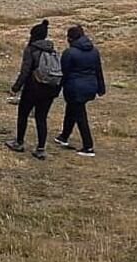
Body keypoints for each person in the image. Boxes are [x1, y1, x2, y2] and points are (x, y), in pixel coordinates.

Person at [6, 19, 62, 160]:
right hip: (49, 89)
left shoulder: (31, 49)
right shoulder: (52, 50)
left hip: (33, 88)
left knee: (23, 115)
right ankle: (41, 148)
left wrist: (15, 88)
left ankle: (19, 142)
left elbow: (25, 72)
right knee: (41, 118)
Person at [54, 25, 106, 156]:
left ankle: (88, 147)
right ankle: (64, 136)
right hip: (90, 86)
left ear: (70, 38)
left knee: (80, 115)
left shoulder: (69, 53)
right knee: (72, 109)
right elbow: (98, 70)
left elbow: (64, 74)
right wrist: (101, 88)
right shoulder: (94, 51)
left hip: (74, 88)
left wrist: (56, 90)